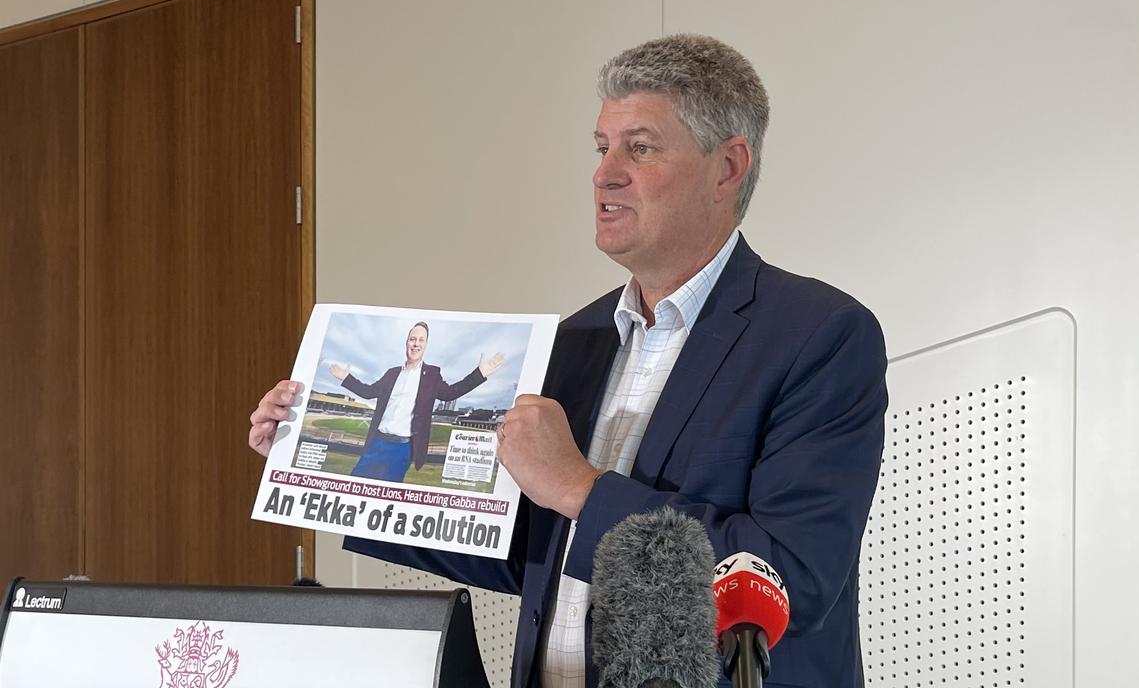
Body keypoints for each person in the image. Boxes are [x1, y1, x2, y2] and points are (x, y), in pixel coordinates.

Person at [249, 34, 887, 687]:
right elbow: (521, 548)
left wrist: (580, 487)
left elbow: (789, 578)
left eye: (639, 148)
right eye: (601, 147)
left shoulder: (819, 336)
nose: (604, 173)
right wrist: (313, 464)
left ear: (727, 168)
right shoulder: (574, 341)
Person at [323, 321, 504, 481]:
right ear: (407, 342)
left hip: (402, 449)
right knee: (354, 487)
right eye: (412, 339)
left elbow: (450, 393)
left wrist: (480, 374)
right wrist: (346, 378)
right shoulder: (392, 373)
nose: (416, 343)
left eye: (421, 340)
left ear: (425, 345)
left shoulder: (432, 374)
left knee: (387, 500)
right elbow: (369, 392)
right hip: (377, 443)